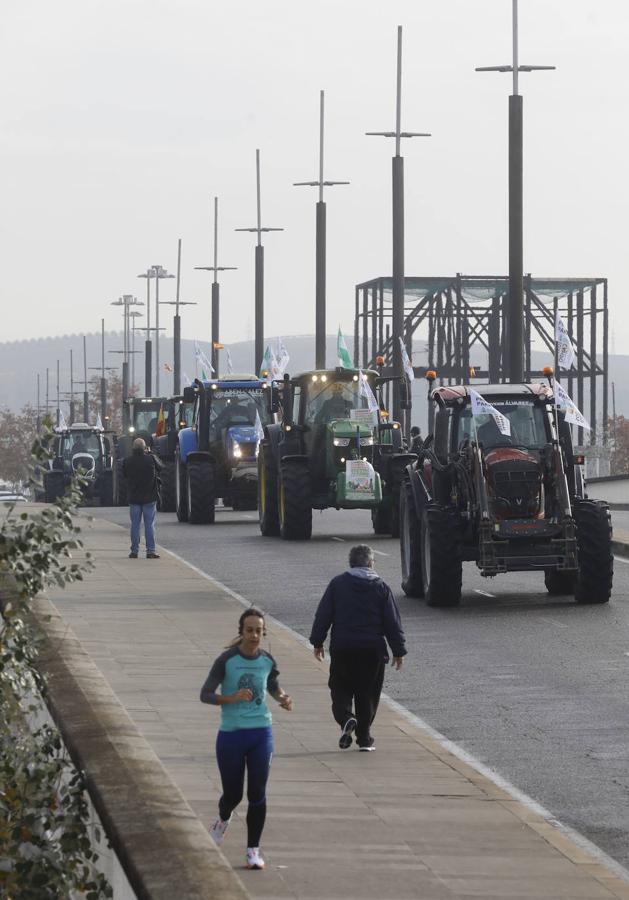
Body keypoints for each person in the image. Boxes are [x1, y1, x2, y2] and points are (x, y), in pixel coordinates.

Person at [200, 608, 292, 871]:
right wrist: (231, 698)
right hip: (231, 734)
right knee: (233, 794)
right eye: (249, 630)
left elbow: (272, 685)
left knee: (257, 793)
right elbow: (205, 694)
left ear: (264, 633)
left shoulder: (266, 660)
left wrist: (283, 698)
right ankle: (222, 820)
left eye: (259, 631)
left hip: (261, 732)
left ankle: (253, 850)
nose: (254, 635)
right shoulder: (226, 660)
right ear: (241, 631)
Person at [309, 544, 406, 752]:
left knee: (340, 689)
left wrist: (317, 641)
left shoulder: (337, 584)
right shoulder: (381, 588)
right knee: (367, 693)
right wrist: (398, 650)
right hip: (372, 650)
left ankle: (346, 718)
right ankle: (364, 738)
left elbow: (323, 615)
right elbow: (392, 622)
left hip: (343, 647)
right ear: (371, 563)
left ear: (350, 563)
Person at [122, 437, 161, 559]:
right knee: (149, 525)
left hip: (134, 497)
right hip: (150, 497)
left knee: (135, 525)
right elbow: (161, 467)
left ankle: (134, 551)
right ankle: (150, 551)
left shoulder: (127, 461)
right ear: (144, 448)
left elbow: (125, 475)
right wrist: (151, 453)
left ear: (133, 448)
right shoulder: (150, 460)